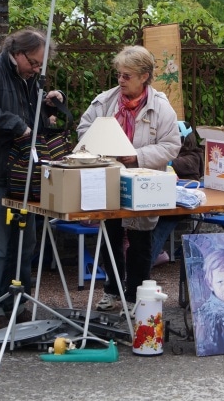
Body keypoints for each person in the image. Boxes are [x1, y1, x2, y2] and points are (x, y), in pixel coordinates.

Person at [0, 28, 66, 331]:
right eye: (35, 63)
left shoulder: (30, 80)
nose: (38, 69)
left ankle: (19, 303)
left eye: (41, 65)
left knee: (24, 245)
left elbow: (33, 123)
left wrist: (47, 104)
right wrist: (15, 124)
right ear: (17, 53)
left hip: (27, 173)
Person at [77, 45, 180, 313]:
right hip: (108, 178)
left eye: (127, 76)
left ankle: (134, 297)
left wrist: (136, 156)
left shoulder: (162, 108)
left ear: (144, 76)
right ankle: (112, 289)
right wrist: (101, 148)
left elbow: (171, 146)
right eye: (119, 75)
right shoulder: (104, 101)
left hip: (143, 182)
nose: (120, 80)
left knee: (140, 240)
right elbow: (83, 130)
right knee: (109, 237)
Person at [150, 120, 204, 266]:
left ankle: (147, 262)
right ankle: (155, 254)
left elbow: (173, 163)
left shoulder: (193, 158)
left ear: (183, 140)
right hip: (166, 201)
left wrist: (160, 160)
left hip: (180, 206)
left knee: (161, 226)